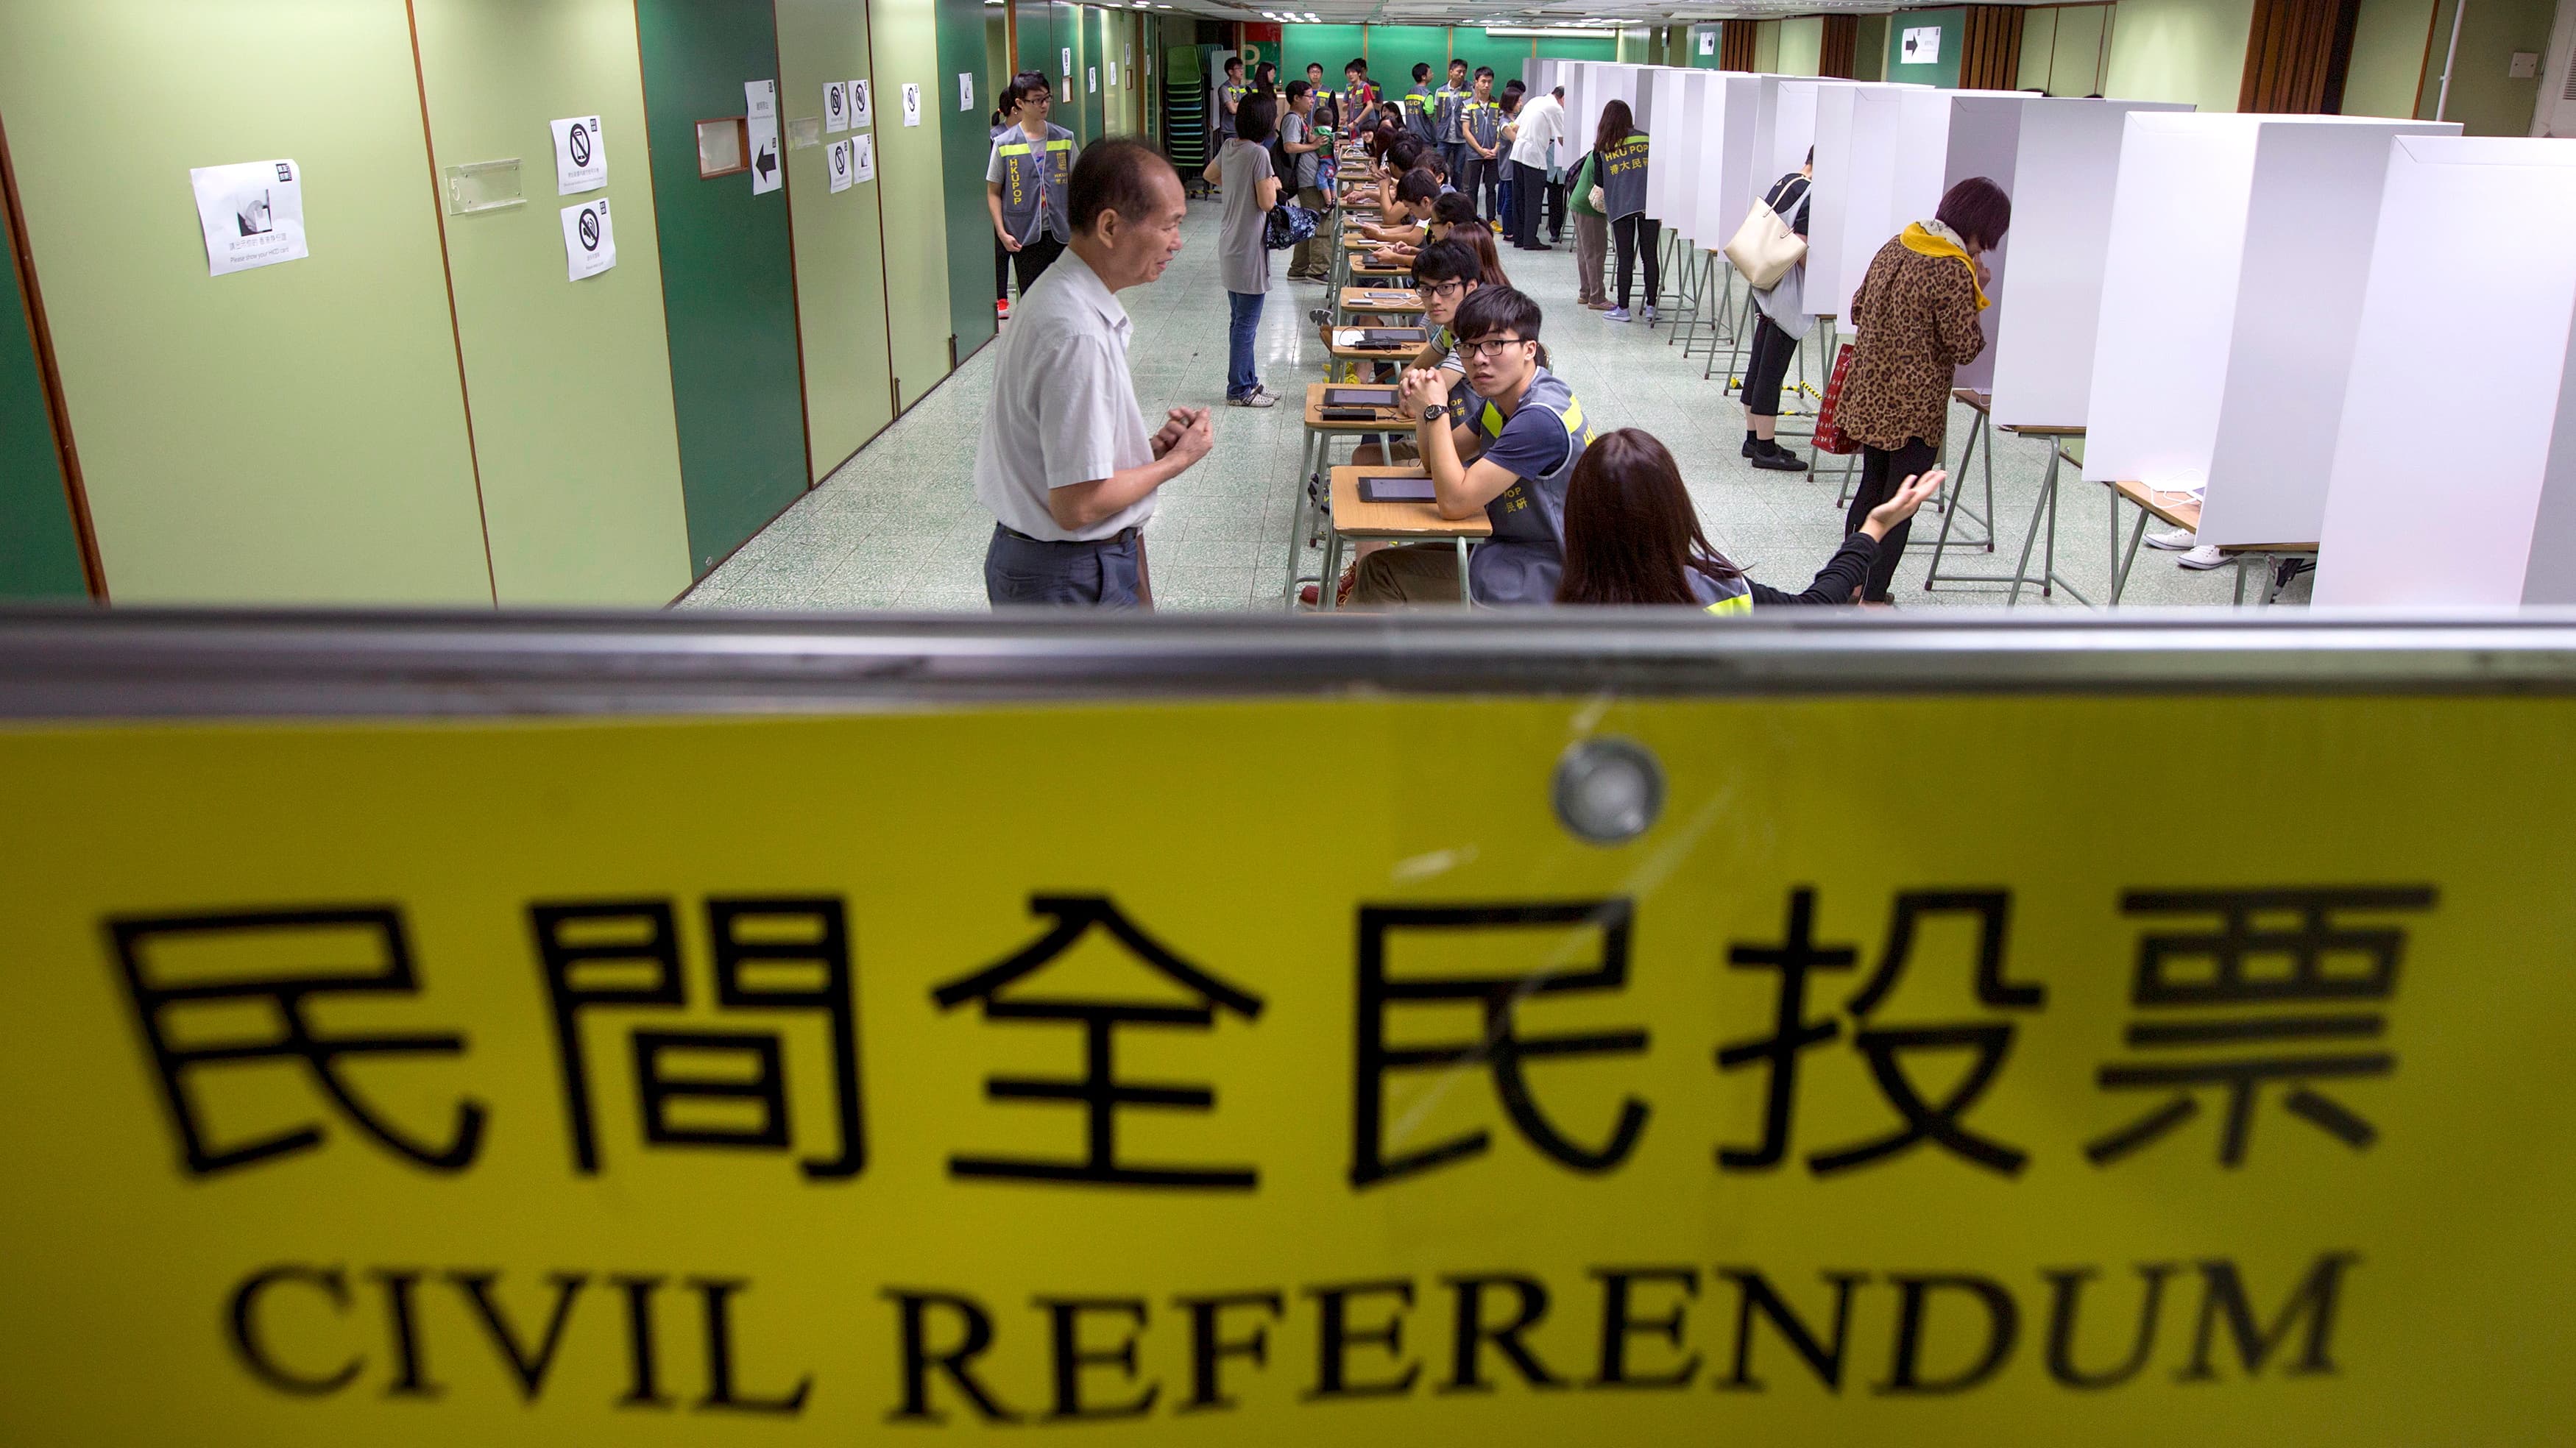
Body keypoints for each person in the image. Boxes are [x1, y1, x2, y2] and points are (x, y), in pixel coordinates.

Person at [977, 139, 1211, 607]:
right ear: (1110, 226)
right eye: (1169, 225)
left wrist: (1142, 455)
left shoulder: (1063, 298)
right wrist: (1175, 462)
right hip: (1068, 577)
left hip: (1055, 567)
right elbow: (1077, 505)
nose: (1177, 242)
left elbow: (1066, 467)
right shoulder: (1076, 333)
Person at [1351, 286, 1595, 606]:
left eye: (1495, 344)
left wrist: (1437, 410)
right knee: (1380, 565)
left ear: (1529, 349)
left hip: (1546, 573)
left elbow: (1454, 503)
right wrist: (1427, 406)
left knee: (1381, 572)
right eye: (1469, 346)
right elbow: (1433, 461)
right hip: (1510, 545)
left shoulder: (1539, 419)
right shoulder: (1504, 401)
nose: (1479, 359)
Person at [1838, 175, 2011, 603]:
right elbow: (1965, 346)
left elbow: (1858, 307)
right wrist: (1978, 291)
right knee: (1901, 503)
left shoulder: (1897, 243)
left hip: (1868, 393)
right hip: (1914, 409)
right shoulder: (1953, 268)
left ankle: (1847, 584)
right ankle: (1874, 594)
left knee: (1870, 490)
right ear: (1980, 227)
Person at [1556, 430, 1945, 609]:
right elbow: (1813, 609)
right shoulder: (1714, 591)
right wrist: (1872, 530)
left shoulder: (1545, 605)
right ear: (1673, 512)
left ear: (1577, 516)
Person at [1206, 91, 1281, 408]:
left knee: (1239, 320)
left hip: (1230, 243)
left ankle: (1249, 381)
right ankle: (1238, 390)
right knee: (1246, 325)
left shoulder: (1229, 146)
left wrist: (1239, 186)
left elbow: (1211, 175)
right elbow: (1267, 203)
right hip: (1249, 247)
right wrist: (1273, 185)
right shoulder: (1259, 154)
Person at [1742, 149, 1815, 472]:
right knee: (1772, 369)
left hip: (1766, 283)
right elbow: (1799, 246)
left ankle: (1753, 438)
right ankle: (1766, 450)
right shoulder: (1813, 193)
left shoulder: (1787, 181)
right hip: (1788, 290)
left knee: (1759, 362)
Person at [987, 73, 1077, 299]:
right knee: (1032, 300)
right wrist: (1002, 232)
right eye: (1037, 100)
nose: (1044, 104)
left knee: (1065, 297)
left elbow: (1080, 186)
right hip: (1024, 236)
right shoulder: (1004, 144)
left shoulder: (1064, 138)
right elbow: (994, 192)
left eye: (1047, 98)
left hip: (1061, 233)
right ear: (1020, 103)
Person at [1595, 99, 1655, 323]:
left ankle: (1623, 308)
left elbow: (1599, 180)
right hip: (1649, 204)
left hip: (1621, 206)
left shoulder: (1603, 145)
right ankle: (1651, 307)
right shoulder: (1647, 138)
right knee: (1650, 256)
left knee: (1626, 258)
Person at [1281, 81, 1329, 283]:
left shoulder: (1301, 119)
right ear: (1296, 99)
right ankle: (1318, 270)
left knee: (1309, 221)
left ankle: (1299, 268)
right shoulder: (1292, 119)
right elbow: (1289, 147)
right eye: (1309, 96)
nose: (1312, 100)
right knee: (1321, 222)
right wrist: (1314, 145)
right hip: (1307, 178)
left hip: (1309, 177)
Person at [1507, 80, 1564, 252]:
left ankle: (1519, 238)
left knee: (1519, 198)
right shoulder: (1556, 108)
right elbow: (1563, 139)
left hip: (1517, 153)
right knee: (1533, 200)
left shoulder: (1535, 101)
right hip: (1534, 158)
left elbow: (1515, 126)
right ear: (1563, 98)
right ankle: (1530, 240)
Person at [1565, 142, 1610, 308]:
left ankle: (1586, 293)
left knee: (1585, 252)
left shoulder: (1598, 149)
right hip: (1590, 206)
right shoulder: (1607, 152)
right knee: (1596, 252)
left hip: (1579, 201)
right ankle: (1597, 297)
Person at [1461, 68, 1504, 227]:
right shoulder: (1468, 105)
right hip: (1474, 153)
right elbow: (1466, 131)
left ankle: (1491, 219)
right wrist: (1479, 149)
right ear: (1476, 83)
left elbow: (1502, 129)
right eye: (1483, 82)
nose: (1486, 85)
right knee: (1472, 188)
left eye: (1489, 82)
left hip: (1493, 154)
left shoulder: (1497, 105)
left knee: (1491, 188)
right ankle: (1471, 219)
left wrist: (1496, 149)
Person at [1495, 82, 1525, 241]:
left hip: (1514, 164)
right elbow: (1516, 140)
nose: (1521, 104)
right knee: (1509, 199)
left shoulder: (1514, 119)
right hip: (1508, 166)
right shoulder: (1504, 123)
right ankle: (1508, 231)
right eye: (1519, 101)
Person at [1434, 58, 1471, 188]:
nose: (1462, 75)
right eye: (1459, 71)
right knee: (1439, 168)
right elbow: (1437, 114)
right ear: (1451, 72)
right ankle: (1439, 193)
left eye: (1464, 72)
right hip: (1444, 137)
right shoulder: (1440, 90)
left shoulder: (1470, 90)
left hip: (1461, 138)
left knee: (1458, 170)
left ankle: (1455, 194)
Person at [1216, 56, 1246, 146]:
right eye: (1238, 68)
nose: (1241, 71)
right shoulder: (1225, 88)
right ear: (1230, 72)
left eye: (1242, 68)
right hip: (1230, 130)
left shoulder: (1242, 88)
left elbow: (1249, 106)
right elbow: (1232, 110)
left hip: (1242, 128)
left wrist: (1237, 104)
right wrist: (1240, 105)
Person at [1404, 63, 1437, 143]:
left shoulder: (1409, 93)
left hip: (1410, 136)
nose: (1432, 74)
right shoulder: (1427, 94)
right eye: (1430, 72)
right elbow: (1430, 114)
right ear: (1424, 77)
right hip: (1424, 137)